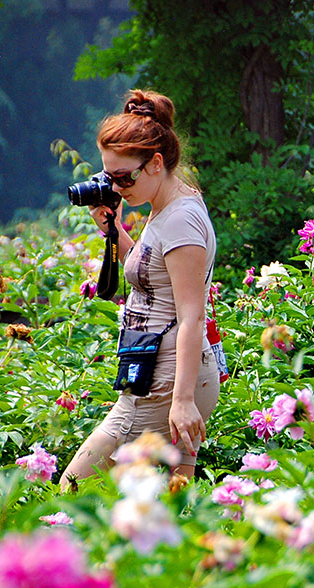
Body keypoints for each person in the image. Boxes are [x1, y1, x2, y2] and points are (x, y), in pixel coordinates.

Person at [60, 90, 219, 488]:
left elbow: (191, 315)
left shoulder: (179, 221)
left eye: (123, 177)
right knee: (170, 504)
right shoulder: (168, 205)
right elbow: (151, 272)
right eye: (108, 177)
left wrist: (182, 401)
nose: (116, 187)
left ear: (156, 163)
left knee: (73, 489)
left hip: (166, 382)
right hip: (156, 373)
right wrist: (112, 230)